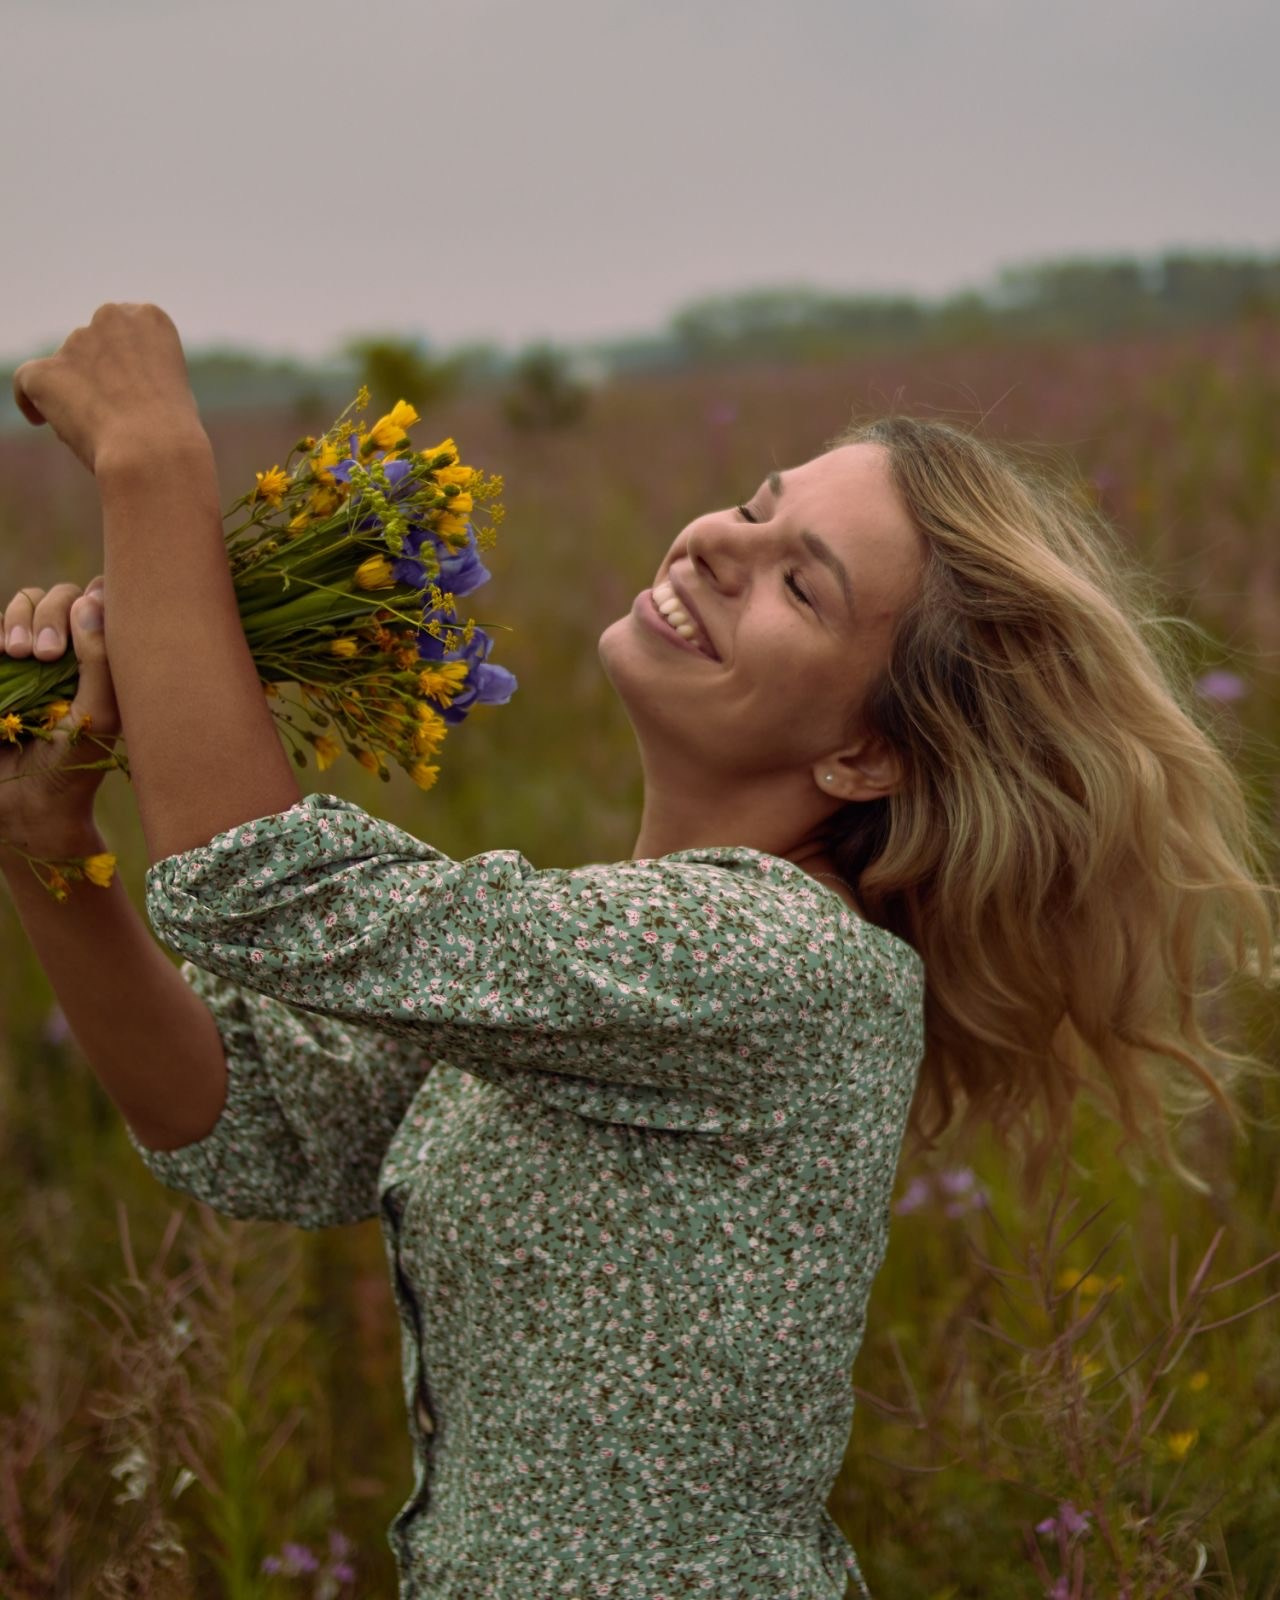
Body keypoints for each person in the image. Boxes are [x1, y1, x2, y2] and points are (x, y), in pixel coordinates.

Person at [2, 314, 1275, 1597]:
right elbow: (261, 1123)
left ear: (866, 755)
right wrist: (48, 843)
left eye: (800, 582)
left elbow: (265, 888)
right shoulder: (637, 952)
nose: (720, 541)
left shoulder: (773, 959)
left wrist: (154, 462)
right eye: (751, 505)